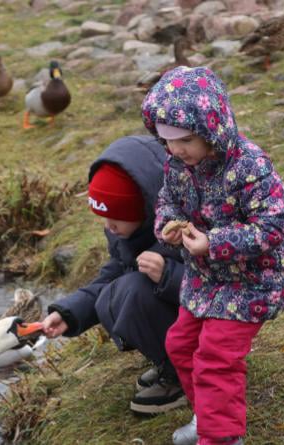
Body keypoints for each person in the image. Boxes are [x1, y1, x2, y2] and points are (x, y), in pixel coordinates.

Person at [142, 66, 284, 445]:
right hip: (205, 279)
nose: (176, 150)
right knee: (182, 344)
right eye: (166, 142)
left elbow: (271, 228)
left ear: (212, 128)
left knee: (215, 355)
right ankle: (206, 416)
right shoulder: (178, 166)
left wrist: (214, 243)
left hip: (253, 281)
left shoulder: (249, 166)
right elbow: (167, 201)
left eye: (186, 140)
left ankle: (222, 437)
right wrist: (168, 226)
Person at [42, 135, 186, 415]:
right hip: (180, 320)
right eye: (104, 218)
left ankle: (184, 375)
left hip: (212, 327)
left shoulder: (181, 227)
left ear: (145, 208)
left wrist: (168, 275)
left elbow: (220, 287)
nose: (110, 227)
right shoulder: (128, 232)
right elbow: (109, 277)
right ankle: (171, 362)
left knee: (132, 292)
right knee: (114, 292)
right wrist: (69, 313)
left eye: (117, 217)